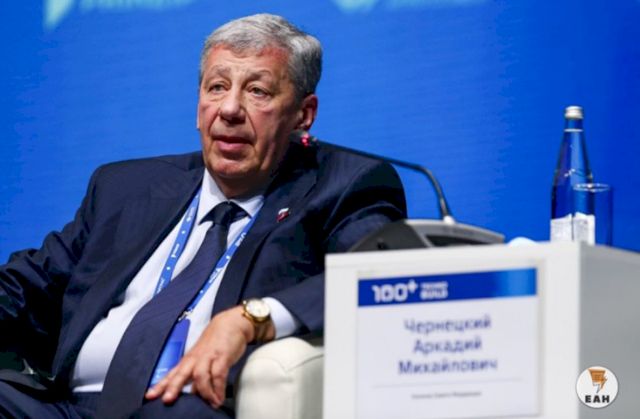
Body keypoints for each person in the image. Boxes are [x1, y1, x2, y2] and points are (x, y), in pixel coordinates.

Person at [0, 13, 406, 418]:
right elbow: (29, 287)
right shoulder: (126, 188)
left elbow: (375, 277)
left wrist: (250, 319)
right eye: (217, 87)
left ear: (304, 114)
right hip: (70, 409)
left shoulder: (342, 186)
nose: (229, 109)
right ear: (198, 105)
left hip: (191, 407)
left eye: (258, 91)